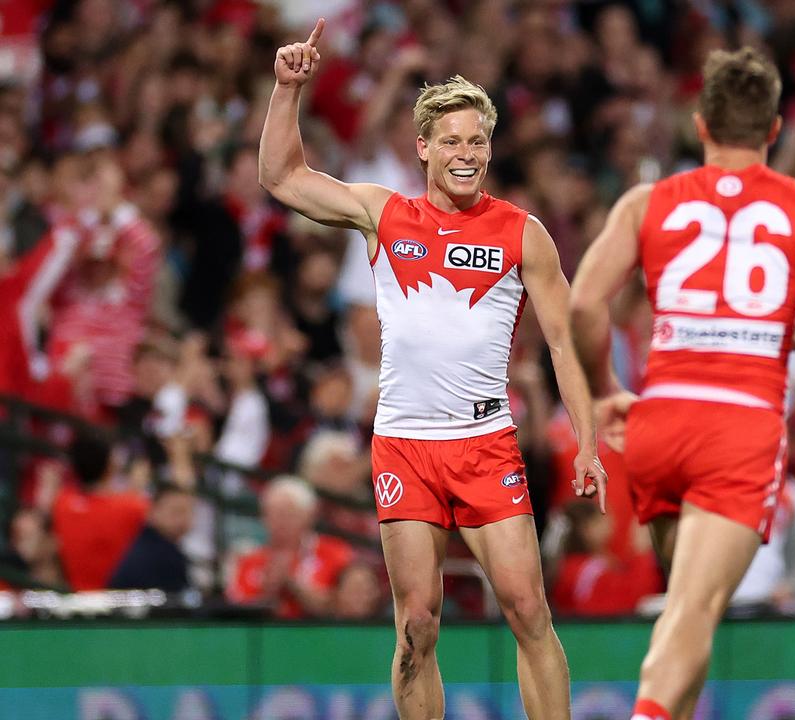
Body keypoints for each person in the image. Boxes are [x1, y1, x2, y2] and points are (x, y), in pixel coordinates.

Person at [259, 19, 605, 720]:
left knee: (528, 609)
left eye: (477, 140)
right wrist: (286, 90)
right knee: (417, 623)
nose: (466, 153)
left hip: (485, 445)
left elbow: (564, 344)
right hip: (405, 444)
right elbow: (282, 177)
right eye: (451, 140)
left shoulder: (521, 232)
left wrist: (588, 442)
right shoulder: (384, 214)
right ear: (423, 147)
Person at [569, 47, 795, 720]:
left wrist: (607, 386)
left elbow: (584, 304)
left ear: (699, 125)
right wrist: (788, 326)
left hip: (659, 419)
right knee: (693, 611)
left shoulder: (648, 201)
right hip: (740, 424)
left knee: (686, 609)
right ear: (775, 130)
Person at [227, 476, 354, 619]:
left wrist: (293, 585)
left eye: (288, 514)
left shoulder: (336, 553)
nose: (280, 522)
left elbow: (347, 606)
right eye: (273, 513)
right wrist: (268, 590)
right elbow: (236, 612)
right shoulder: (248, 560)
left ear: (309, 515)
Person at [49, 431, 150, 591]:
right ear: (110, 465)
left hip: (78, 597)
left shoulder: (62, 503)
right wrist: (138, 487)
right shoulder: (131, 507)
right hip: (116, 601)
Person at [108, 483, 196, 592]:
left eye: (189, 512)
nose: (183, 519)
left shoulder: (152, 545)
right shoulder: (161, 553)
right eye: (176, 512)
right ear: (153, 511)